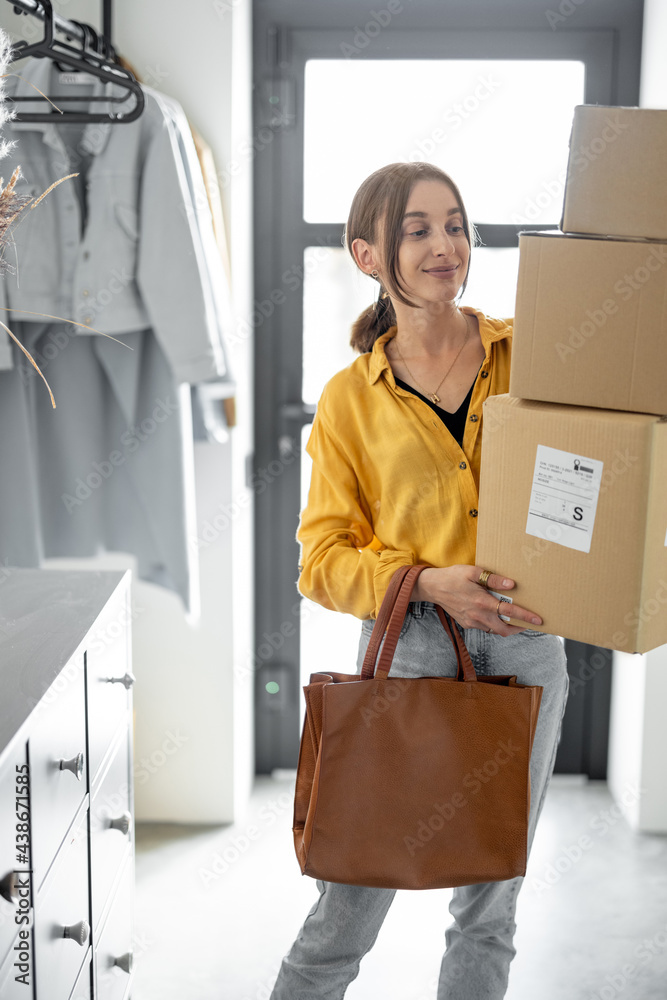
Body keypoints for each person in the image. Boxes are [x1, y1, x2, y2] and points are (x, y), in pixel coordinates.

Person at [270, 161, 569, 1000]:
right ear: (368, 256)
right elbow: (320, 561)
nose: (447, 246)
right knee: (347, 902)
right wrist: (430, 582)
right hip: (407, 654)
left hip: (525, 651)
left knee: (491, 903)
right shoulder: (348, 401)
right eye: (417, 230)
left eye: (456, 224)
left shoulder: (530, 356)